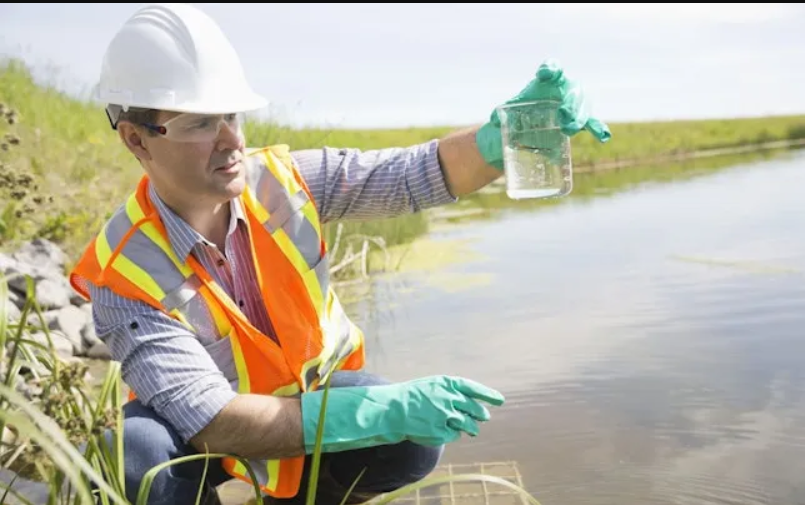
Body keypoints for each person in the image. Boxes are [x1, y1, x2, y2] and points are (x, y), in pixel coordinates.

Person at [69, 3, 611, 505]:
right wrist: (374, 414)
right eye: (201, 124)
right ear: (137, 140)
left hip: (310, 400)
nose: (231, 141)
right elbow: (212, 419)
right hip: (203, 431)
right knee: (135, 452)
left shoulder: (285, 181)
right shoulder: (121, 274)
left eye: (232, 116)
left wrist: (503, 138)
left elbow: (412, 175)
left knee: (406, 440)